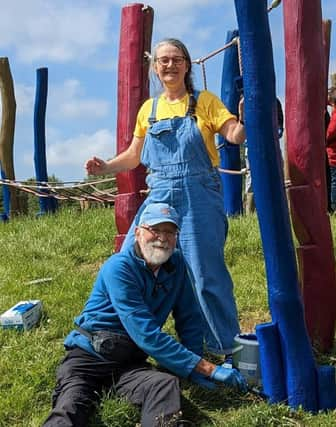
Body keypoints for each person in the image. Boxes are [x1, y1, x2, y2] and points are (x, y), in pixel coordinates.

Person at [85, 38, 245, 356]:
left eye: (175, 59)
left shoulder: (205, 101)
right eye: (163, 61)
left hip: (199, 193)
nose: (169, 65)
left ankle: (224, 348)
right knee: (132, 260)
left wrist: (244, 121)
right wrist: (105, 167)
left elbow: (233, 134)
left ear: (187, 64)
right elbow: (133, 155)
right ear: (155, 69)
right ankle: (121, 339)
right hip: (159, 195)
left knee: (204, 273)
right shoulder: (149, 109)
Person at [43, 203, 248, 427]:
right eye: (155, 230)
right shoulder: (119, 267)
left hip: (129, 363)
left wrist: (191, 366)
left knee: (163, 385)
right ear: (138, 232)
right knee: (69, 408)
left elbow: (189, 317)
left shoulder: (176, 264)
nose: (162, 238)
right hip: (89, 358)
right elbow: (146, 334)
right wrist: (208, 367)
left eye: (170, 232)